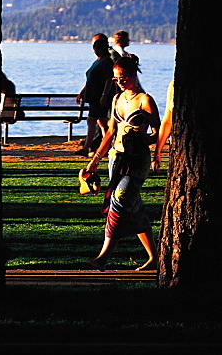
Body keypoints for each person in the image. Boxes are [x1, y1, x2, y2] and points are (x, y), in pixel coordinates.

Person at [82, 57, 159, 272]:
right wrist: (95, 160)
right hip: (116, 158)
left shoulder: (145, 100)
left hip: (136, 160)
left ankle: (102, 257)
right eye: (116, 79)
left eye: (123, 78)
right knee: (134, 208)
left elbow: (157, 132)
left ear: (134, 75)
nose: (120, 82)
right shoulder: (117, 99)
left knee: (119, 201)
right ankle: (155, 258)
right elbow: (109, 132)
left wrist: (144, 139)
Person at [74, 34, 114, 157]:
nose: (95, 51)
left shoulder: (107, 62)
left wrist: (104, 95)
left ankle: (87, 148)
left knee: (92, 121)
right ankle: (106, 146)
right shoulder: (98, 61)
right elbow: (90, 79)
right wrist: (82, 91)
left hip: (99, 97)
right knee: (102, 122)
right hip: (93, 96)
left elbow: (109, 79)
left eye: (97, 48)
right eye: (94, 49)